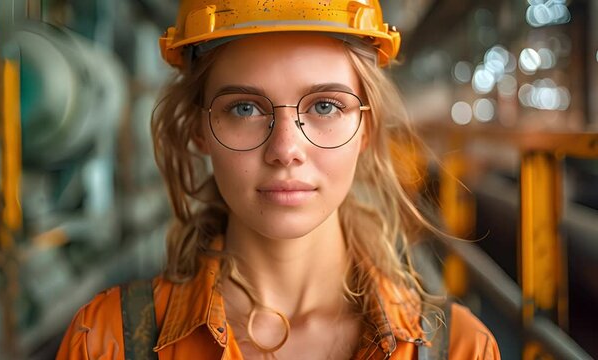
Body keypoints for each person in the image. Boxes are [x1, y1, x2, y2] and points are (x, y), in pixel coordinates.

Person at [57, 1, 501, 359]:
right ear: (198, 129)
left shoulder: (461, 349)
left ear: (366, 127)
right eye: (245, 108)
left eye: (325, 106)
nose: (286, 149)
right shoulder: (106, 342)